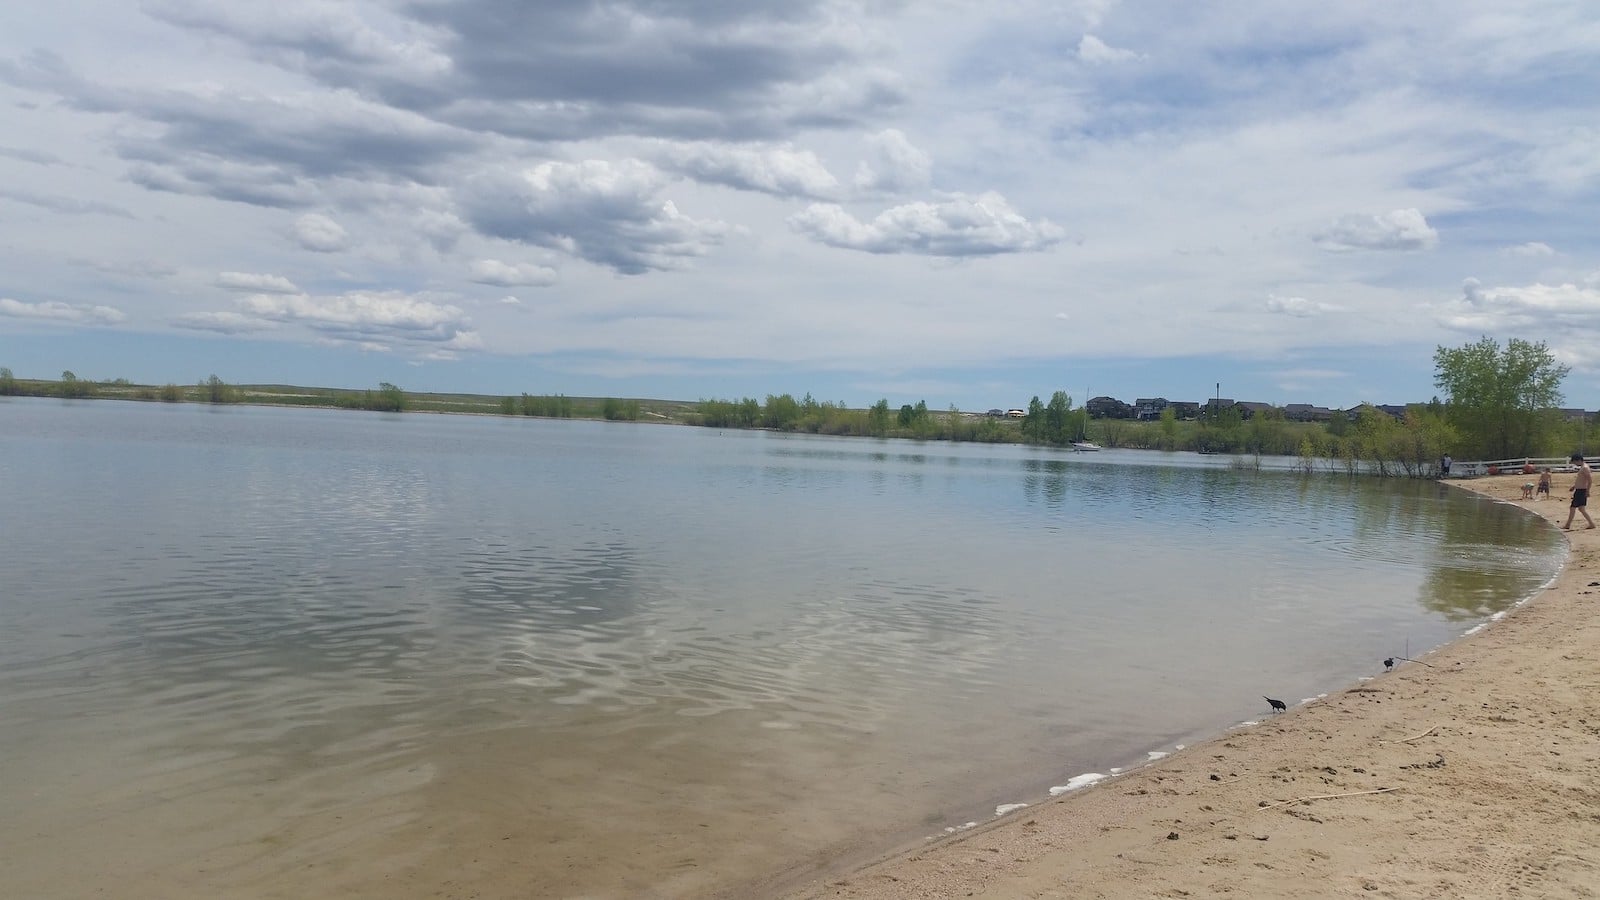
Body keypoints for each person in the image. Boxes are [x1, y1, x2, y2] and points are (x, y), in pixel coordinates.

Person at [1565, 454, 1595, 530]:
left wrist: (1587, 491)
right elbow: (1580, 480)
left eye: (1575, 462)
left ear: (1578, 460)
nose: (1574, 464)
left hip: (1581, 491)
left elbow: (1590, 480)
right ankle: (1591, 524)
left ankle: (1568, 525)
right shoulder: (1582, 467)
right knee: (1581, 509)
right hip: (1579, 490)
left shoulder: (1585, 468)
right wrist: (1574, 486)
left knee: (1573, 507)